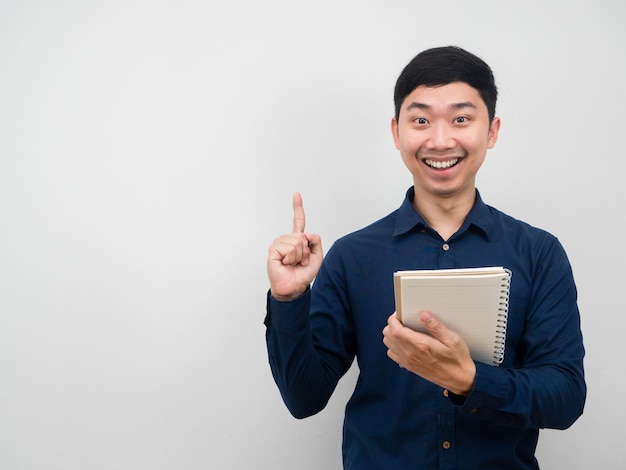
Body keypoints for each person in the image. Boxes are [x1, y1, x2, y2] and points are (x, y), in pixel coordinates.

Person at [264, 46, 586, 469]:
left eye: (461, 119)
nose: (439, 140)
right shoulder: (353, 256)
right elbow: (304, 399)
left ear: (492, 131)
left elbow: (564, 397)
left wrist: (469, 380)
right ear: (397, 132)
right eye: (420, 120)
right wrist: (288, 300)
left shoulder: (538, 253)